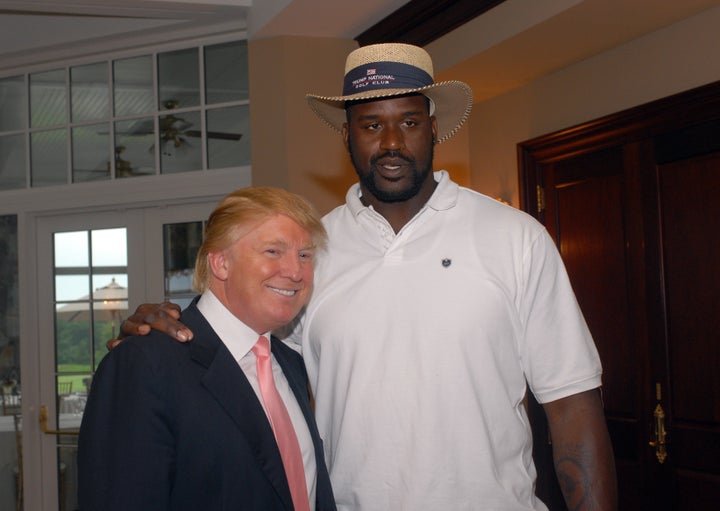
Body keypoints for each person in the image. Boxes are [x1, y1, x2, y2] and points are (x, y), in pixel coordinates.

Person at [116, 43, 617, 510]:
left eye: (410, 122)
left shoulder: (515, 238)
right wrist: (160, 335)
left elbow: (573, 407)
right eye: (372, 125)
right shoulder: (310, 252)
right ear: (347, 135)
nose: (393, 143)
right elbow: (237, 351)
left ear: (434, 127)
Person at [78, 187, 336, 511]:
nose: (296, 272)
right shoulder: (145, 364)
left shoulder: (291, 364)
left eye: (304, 255)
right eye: (273, 251)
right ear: (221, 263)